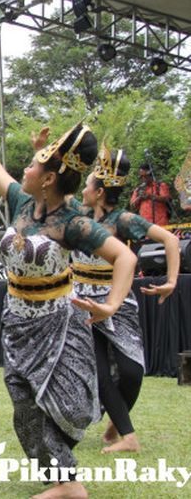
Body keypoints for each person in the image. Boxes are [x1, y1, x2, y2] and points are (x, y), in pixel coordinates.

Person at [0, 104, 137, 498]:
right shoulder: (21, 202)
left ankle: (68, 485)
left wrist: (112, 304)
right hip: (17, 319)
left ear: (49, 179)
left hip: (57, 323)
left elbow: (126, 257)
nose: (25, 171)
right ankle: (60, 478)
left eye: (33, 167)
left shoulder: (74, 222)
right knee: (22, 398)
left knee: (50, 398)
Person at [68, 142, 179, 454]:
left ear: (100, 191)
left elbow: (170, 239)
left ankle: (116, 423)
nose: (84, 188)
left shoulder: (123, 220)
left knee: (132, 372)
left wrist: (171, 281)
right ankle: (128, 437)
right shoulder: (76, 214)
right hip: (82, 302)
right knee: (100, 370)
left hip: (117, 301)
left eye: (89, 183)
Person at [130, 162, 172, 226]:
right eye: (141, 177)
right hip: (145, 225)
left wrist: (150, 196)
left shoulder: (160, 185)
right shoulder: (138, 189)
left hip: (161, 224)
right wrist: (139, 198)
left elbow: (166, 199)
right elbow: (132, 206)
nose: (143, 179)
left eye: (145, 176)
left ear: (151, 175)